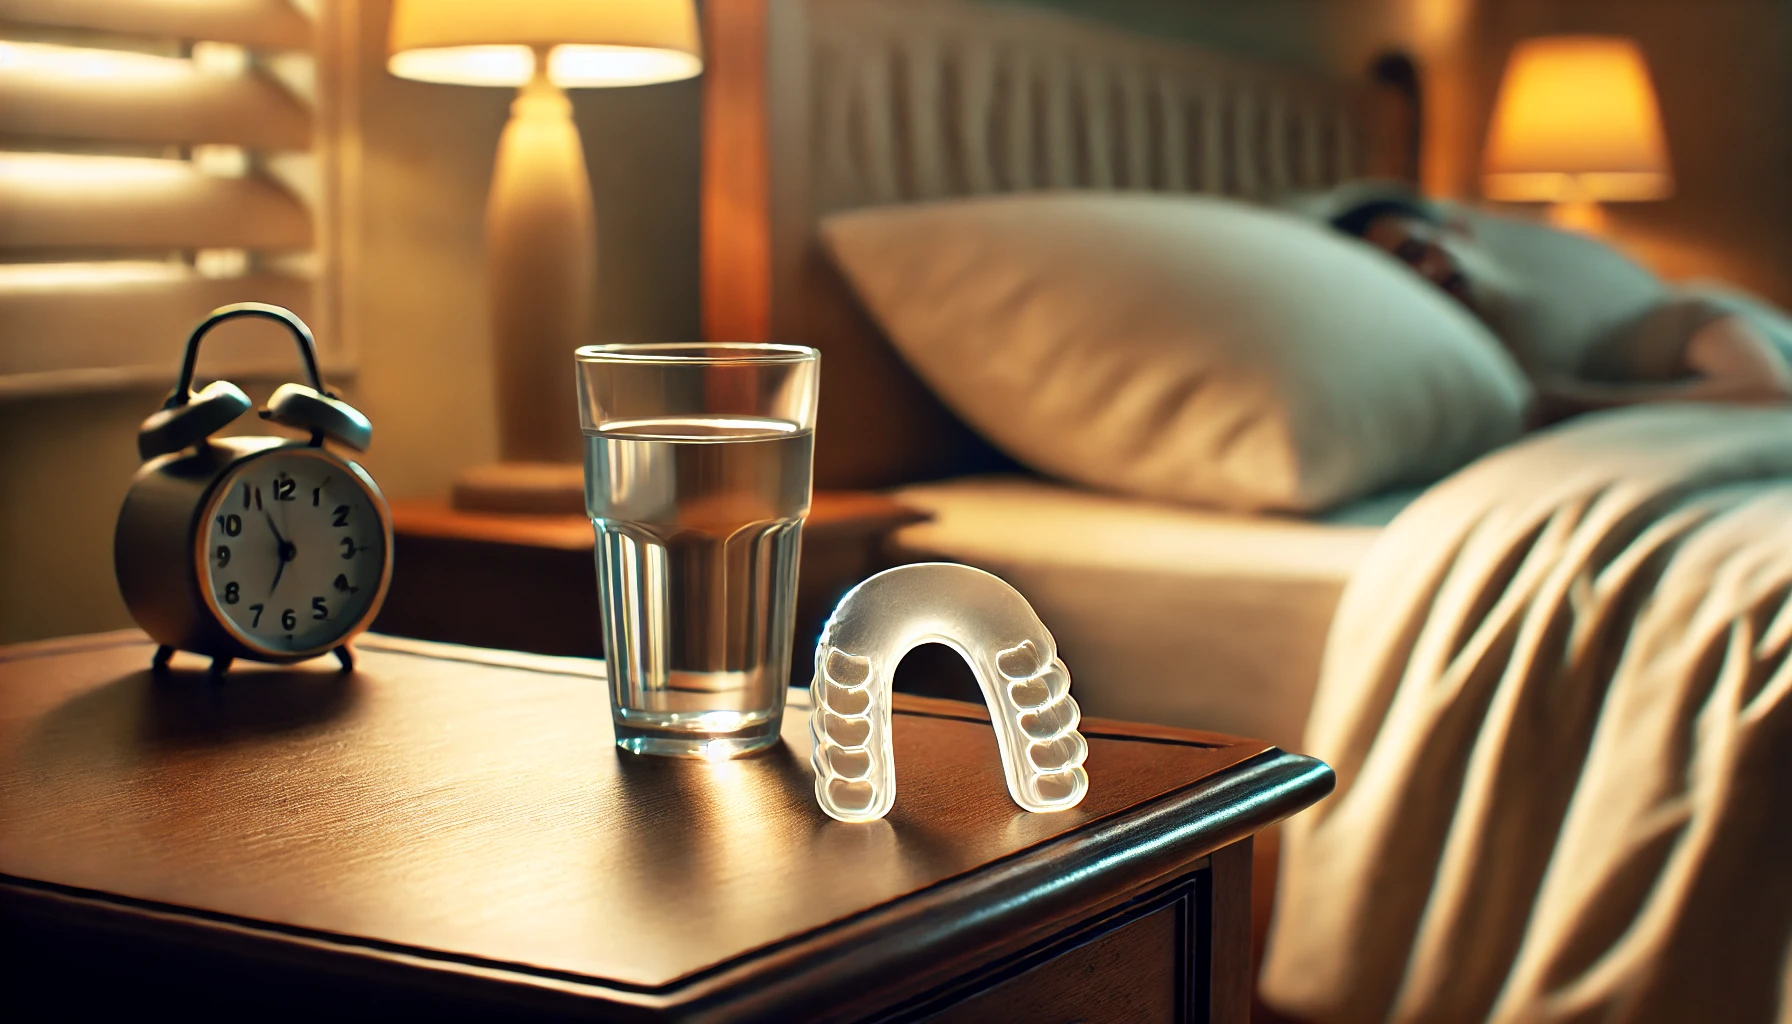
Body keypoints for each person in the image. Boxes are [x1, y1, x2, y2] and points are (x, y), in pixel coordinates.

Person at [1315, 183, 1792, 424]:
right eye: (1402, 272)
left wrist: (1570, 405)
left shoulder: (1678, 316)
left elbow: (1769, 394)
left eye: (1419, 250)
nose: (1427, 274)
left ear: (1458, 233)